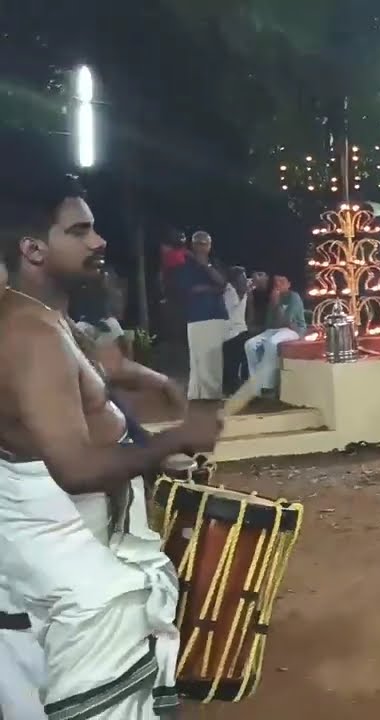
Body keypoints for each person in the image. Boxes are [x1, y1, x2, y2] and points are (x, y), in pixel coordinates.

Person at [0, 173, 221, 719]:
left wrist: (159, 397)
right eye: (81, 231)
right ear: (33, 247)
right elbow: (73, 467)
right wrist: (175, 439)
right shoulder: (30, 333)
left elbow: (101, 380)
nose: (99, 242)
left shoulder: (48, 318)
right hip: (65, 560)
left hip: (48, 546)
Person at [175, 230, 228, 399]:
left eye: (205, 244)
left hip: (215, 315)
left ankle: (212, 395)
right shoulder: (186, 265)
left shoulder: (215, 263)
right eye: (199, 243)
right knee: (197, 358)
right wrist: (211, 289)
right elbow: (188, 290)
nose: (202, 247)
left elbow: (223, 284)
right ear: (193, 244)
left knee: (212, 358)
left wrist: (206, 267)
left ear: (210, 246)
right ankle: (197, 394)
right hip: (195, 315)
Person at [244, 274, 306, 396]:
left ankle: (268, 385)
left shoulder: (293, 297)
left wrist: (277, 304)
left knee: (271, 342)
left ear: (289, 284)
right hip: (275, 330)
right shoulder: (272, 299)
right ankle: (255, 385)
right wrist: (273, 304)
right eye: (276, 282)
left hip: (294, 331)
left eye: (282, 282)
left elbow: (288, 322)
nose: (278, 285)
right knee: (250, 345)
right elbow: (269, 325)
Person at [222, 266, 254, 395]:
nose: (245, 280)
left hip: (239, 330)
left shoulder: (242, 290)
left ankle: (236, 385)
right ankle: (233, 387)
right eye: (242, 277)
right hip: (231, 332)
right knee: (235, 359)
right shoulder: (229, 291)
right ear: (235, 280)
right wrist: (247, 290)